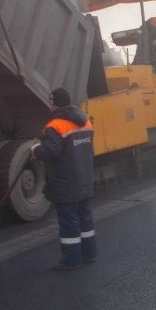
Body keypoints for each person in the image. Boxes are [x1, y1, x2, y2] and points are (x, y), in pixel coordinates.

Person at [31, 87, 96, 271]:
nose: (49, 106)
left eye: (51, 103)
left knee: (69, 223)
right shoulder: (85, 122)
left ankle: (72, 260)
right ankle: (89, 254)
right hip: (84, 180)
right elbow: (89, 150)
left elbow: (51, 151)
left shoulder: (55, 125)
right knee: (85, 219)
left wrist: (36, 150)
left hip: (67, 183)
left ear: (55, 104)